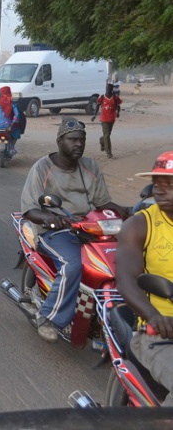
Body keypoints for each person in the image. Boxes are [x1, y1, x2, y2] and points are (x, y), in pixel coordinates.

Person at [20, 118, 129, 342]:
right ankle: (49, 317)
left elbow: (102, 203)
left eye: (81, 140)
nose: (78, 144)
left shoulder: (91, 167)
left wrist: (130, 210)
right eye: (72, 139)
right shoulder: (42, 168)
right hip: (54, 230)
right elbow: (30, 209)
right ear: (60, 141)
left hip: (90, 228)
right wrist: (52, 218)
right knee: (73, 265)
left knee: (121, 261)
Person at [116, 151, 173, 405]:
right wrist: (153, 317)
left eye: (169, 185)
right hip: (159, 336)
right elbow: (126, 279)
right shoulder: (140, 225)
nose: (160, 191)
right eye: (157, 184)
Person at [92, 82, 122, 159]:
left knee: (107, 135)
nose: (107, 90)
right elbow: (97, 106)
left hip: (112, 119)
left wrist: (118, 113)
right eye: (107, 88)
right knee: (107, 135)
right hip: (104, 119)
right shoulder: (102, 97)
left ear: (111, 89)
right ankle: (109, 152)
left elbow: (118, 106)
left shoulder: (115, 97)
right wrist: (94, 115)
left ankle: (102, 141)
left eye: (109, 89)